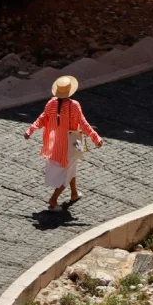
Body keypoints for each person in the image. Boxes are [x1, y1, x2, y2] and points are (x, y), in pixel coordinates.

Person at [25, 76, 103, 210]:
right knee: (67, 171)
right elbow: (83, 123)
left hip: (57, 142)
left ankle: (74, 193)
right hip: (74, 141)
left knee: (72, 167)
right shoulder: (74, 106)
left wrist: (30, 130)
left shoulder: (51, 103)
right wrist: (96, 138)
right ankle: (53, 199)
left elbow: (42, 118)